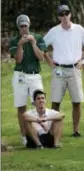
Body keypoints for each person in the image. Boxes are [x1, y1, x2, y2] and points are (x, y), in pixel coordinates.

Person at [43, 4, 84, 137]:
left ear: (70, 14)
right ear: (59, 17)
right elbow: (41, 45)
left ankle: (76, 130)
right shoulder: (54, 31)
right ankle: (54, 130)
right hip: (59, 69)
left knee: (77, 101)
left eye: (66, 13)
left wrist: (83, 60)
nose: (64, 17)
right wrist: (49, 61)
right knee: (55, 101)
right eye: (62, 14)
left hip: (74, 69)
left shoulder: (79, 29)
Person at [9, 14, 47, 145]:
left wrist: (33, 43)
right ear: (18, 27)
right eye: (21, 26)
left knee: (39, 103)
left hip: (34, 74)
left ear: (29, 25)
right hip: (20, 74)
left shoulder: (37, 37)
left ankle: (42, 132)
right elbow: (18, 59)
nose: (24, 29)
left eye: (25, 26)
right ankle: (24, 136)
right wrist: (20, 45)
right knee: (21, 106)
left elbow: (41, 58)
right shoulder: (14, 41)